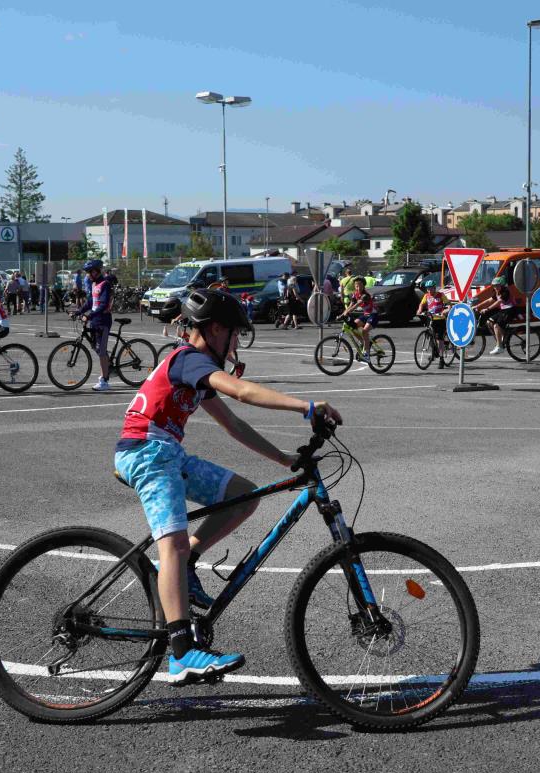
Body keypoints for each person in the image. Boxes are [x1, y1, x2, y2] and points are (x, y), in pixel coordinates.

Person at [113, 288, 343, 685]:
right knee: (172, 543)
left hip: (166, 453)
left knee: (241, 496)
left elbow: (233, 423)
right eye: (235, 334)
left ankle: (182, 566)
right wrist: (306, 406)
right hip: (146, 453)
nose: (236, 343)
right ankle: (181, 654)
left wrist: (284, 459)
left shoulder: (194, 370)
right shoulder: (189, 360)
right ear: (215, 328)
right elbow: (242, 391)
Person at [71, 259, 113, 391]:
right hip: (94, 321)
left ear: (96, 271)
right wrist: (78, 311)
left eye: (89, 272)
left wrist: (89, 315)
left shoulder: (105, 284)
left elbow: (103, 305)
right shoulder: (94, 284)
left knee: (101, 351)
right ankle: (107, 367)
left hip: (103, 322)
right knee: (98, 349)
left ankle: (104, 381)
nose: (88, 275)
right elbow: (90, 302)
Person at [473, 275, 517, 354]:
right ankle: (500, 340)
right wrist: (477, 306)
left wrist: (487, 309)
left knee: (496, 326)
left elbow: (498, 302)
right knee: (489, 322)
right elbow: (489, 300)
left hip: (511, 310)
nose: (495, 287)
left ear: (502, 285)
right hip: (503, 311)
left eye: (497, 286)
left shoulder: (505, 292)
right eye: (494, 286)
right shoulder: (497, 292)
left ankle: (499, 347)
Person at [340, 276, 377, 361]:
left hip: (373, 315)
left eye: (360, 285)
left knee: (364, 331)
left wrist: (346, 313)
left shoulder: (365, 295)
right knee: (352, 327)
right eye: (356, 286)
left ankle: (367, 355)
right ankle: (364, 342)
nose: (358, 287)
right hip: (365, 315)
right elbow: (350, 305)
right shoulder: (355, 294)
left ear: (363, 286)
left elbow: (356, 305)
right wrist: (342, 314)